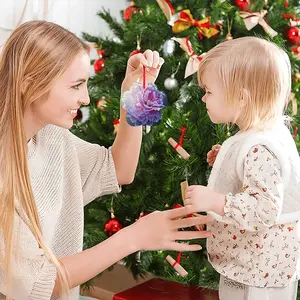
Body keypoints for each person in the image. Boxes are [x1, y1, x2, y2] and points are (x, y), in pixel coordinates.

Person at [0, 20, 212, 300]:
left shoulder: (51, 137)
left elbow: (118, 170)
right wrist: (134, 237)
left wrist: (132, 94)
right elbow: (38, 282)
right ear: (30, 84)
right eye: (76, 86)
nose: (86, 99)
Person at [183, 36, 300, 300]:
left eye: (209, 91)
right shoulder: (263, 133)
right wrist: (225, 157)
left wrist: (215, 201)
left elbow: (264, 210)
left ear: (241, 97)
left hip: (258, 275)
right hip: (257, 267)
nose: (203, 98)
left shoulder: (260, 149)